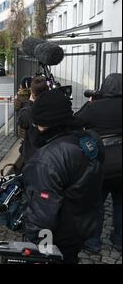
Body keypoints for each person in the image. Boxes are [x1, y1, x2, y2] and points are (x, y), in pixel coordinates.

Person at [22, 89, 104, 264]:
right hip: (82, 226)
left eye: (37, 123)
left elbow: (42, 217)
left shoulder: (47, 159)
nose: (35, 127)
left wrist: (38, 250)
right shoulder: (92, 140)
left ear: (45, 123)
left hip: (60, 237)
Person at [76, 73, 122, 253]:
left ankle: (93, 241)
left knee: (95, 204)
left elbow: (75, 121)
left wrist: (92, 103)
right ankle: (119, 240)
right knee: (120, 204)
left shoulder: (94, 107)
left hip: (100, 164)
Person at [17, 76, 49, 163]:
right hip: (51, 155)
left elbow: (22, 121)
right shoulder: (54, 108)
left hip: (33, 157)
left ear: (33, 94)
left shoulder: (28, 112)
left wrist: (30, 103)